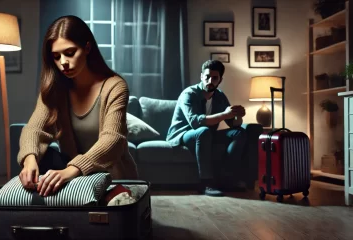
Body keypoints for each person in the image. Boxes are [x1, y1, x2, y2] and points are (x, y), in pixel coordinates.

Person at [17, 15, 138, 197]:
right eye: (56, 57)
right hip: (73, 176)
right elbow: (34, 129)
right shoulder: (54, 89)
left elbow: (113, 140)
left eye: (70, 53)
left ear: (87, 48)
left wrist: (71, 170)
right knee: (41, 158)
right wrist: (29, 160)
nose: (63, 62)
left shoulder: (115, 86)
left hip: (111, 176)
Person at [166, 60, 247, 197]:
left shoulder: (220, 96)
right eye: (207, 76)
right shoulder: (189, 94)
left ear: (220, 80)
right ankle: (205, 183)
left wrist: (238, 115)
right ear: (201, 76)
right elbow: (195, 123)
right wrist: (224, 114)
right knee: (203, 131)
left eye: (215, 78)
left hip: (207, 135)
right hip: (182, 134)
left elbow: (232, 124)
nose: (210, 80)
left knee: (239, 132)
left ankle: (226, 178)